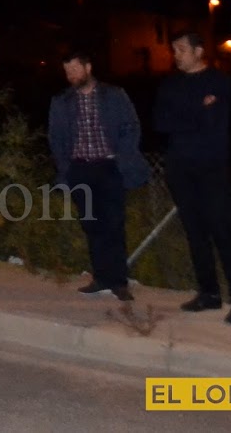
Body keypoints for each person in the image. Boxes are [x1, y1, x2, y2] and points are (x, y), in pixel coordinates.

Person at [156, 30, 231, 326]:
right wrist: (199, 109)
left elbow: (212, 122)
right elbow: (161, 121)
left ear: (198, 51)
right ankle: (208, 293)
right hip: (180, 167)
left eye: (181, 49)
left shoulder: (219, 81)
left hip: (211, 168)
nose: (176, 55)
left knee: (221, 230)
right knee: (195, 232)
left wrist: (188, 115)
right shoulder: (170, 84)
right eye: (174, 50)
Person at [47, 48, 150, 302]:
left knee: (114, 224)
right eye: (67, 71)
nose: (70, 75)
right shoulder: (61, 101)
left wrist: (123, 156)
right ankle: (101, 277)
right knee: (91, 225)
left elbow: (131, 126)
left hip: (109, 167)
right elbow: (56, 138)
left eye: (74, 69)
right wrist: (66, 169)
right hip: (80, 169)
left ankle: (119, 281)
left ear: (88, 67)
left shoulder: (113, 95)